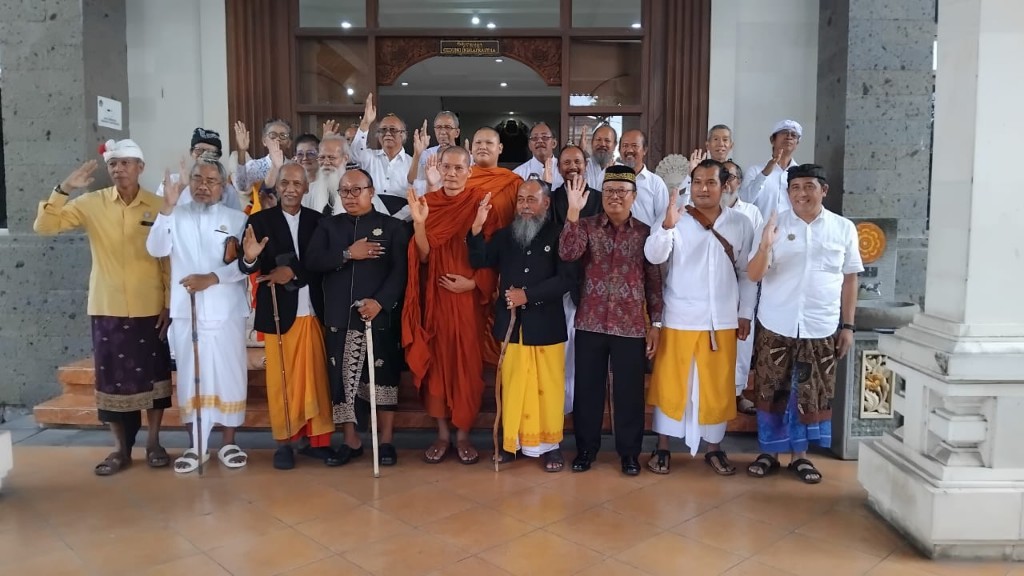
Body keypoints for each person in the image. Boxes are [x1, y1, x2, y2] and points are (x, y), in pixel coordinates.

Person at [33, 139, 172, 475]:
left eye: (126, 163)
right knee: (112, 383)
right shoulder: (91, 203)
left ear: (141, 167)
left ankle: (154, 442)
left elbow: (168, 259)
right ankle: (119, 449)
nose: (119, 170)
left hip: (149, 306)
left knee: (155, 382)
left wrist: (170, 304)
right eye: (113, 164)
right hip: (107, 307)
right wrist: (64, 188)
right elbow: (45, 227)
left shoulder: (159, 205)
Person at [747, 164, 862, 484]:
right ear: (787, 193)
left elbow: (850, 279)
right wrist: (765, 245)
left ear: (823, 190)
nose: (801, 194)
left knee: (811, 393)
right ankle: (768, 453)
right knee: (771, 390)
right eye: (795, 188)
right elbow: (755, 274)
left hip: (821, 324)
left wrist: (848, 326)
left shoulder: (843, 228)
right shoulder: (775, 225)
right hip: (776, 323)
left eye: (809, 186)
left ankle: (801, 457)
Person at [403, 144, 517, 465]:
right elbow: (423, 256)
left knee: (467, 364)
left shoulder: (482, 203)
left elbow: (492, 257)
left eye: (458, 169)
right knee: (438, 363)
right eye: (446, 168)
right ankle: (442, 433)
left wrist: (475, 283)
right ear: (438, 169)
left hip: (469, 300)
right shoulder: (430, 204)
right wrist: (420, 224)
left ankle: (464, 435)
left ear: (469, 171)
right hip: (437, 296)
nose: (452, 175)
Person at [644, 159, 757, 475]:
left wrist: (745, 312)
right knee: (671, 384)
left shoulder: (741, 224)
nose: (703, 189)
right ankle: (663, 447)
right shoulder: (677, 218)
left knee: (715, 386)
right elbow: (653, 255)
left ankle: (714, 449)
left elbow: (747, 273)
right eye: (697, 182)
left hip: (720, 320)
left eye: (711, 182)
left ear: (725, 186)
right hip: (679, 316)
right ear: (690, 185)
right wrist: (666, 225)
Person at [147, 158, 250, 474]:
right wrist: (166, 207)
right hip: (187, 312)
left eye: (211, 181)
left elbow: (245, 263)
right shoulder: (173, 215)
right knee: (193, 380)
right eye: (198, 179)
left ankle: (229, 443)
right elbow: (156, 248)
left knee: (230, 376)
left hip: (227, 311)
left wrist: (213, 278)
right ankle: (197, 447)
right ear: (188, 182)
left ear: (223, 187)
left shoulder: (236, 219)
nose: (204, 185)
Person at [559, 165, 663, 476]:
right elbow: (567, 253)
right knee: (587, 390)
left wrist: (655, 325)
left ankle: (629, 453)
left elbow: (654, 283)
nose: (614, 197)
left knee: (629, 393)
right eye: (609, 191)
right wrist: (573, 213)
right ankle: (586, 450)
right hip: (590, 322)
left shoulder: (645, 233)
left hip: (630, 326)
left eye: (621, 191)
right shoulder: (587, 226)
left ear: (634, 196)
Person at [468, 178, 575, 472]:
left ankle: (551, 447)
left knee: (548, 388)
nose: (525, 206)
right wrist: (477, 226)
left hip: (547, 326)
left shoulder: (559, 234)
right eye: (521, 200)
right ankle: (510, 444)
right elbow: (479, 258)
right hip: (512, 327)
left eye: (531, 200)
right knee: (514, 386)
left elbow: (566, 280)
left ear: (546, 203)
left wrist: (527, 295)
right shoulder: (505, 236)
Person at [307, 168, 410, 467]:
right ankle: (350, 441)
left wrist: (380, 302)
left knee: (384, 378)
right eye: (344, 191)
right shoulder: (329, 227)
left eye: (357, 190)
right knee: (342, 382)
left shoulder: (392, 228)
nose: (350, 197)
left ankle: (386, 441)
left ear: (371, 191)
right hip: (341, 316)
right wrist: (347, 254)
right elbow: (313, 261)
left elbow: (400, 272)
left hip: (379, 316)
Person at [239, 162, 335, 470]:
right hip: (280, 314)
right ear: (276, 187)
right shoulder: (260, 220)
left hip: (315, 311)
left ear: (306, 188)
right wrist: (251, 257)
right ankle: (284, 442)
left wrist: (291, 272)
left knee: (317, 380)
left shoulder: (319, 221)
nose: (291, 188)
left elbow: (323, 262)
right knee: (281, 382)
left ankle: (317, 441)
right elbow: (247, 266)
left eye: (297, 183)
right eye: (285, 183)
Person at [547, 145, 602, 416]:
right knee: (559, 350)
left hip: (591, 287)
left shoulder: (601, 199)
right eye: (566, 162)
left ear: (586, 164)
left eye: (577, 161)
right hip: (556, 285)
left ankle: (581, 409)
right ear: (558, 167)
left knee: (584, 354)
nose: (572, 166)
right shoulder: (548, 197)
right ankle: (558, 408)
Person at [722, 160, 763, 415]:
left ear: (738, 182)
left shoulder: (751, 213)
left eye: (732, 177)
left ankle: (737, 393)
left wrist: (746, 309)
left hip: (741, 288)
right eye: (722, 175)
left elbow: (754, 261)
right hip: (710, 296)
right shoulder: (698, 211)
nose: (727, 182)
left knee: (741, 345)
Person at [350, 94, 414, 220]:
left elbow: (417, 197)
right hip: (370, 216)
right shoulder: (370, 157)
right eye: (383, 130)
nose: (388, 134)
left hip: (402, 220)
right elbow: (355, 154)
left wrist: (395, 220)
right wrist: (366, 123)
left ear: (403, 135)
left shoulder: (412, 163)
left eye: (393, 130)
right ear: (378, 135)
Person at [156, 128, 243, 211]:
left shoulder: (227, 189)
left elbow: (235, 219)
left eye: (210, 152)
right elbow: (158, 216)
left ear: (218, 156)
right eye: (199, 150)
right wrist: (181, 188)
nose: (204, 155)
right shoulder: (172, 181)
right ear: (191, 153)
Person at [741, 119, 802, 218]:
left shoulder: (801, 174)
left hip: (791, 231)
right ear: (772, 140)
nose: (789, 137)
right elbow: (744, 201)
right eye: (784, 133)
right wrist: (764, 174)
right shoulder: (755, 171)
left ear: (797, 143)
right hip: (761, 230)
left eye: (794, 135)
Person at [232, 118, 293, 207]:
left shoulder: (295, 167)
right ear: (264, 141)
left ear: (289, 143)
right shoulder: (255, 166)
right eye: (273, 135)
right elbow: (241, 186)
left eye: (283, 135)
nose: (277, 139)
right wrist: (242, 151)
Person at [619, 129, 670, 228]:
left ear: (645, 150)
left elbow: (662, 219)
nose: (629, 150)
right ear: (619, 150)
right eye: (625, 146)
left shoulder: (656, 183)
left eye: (635, 146)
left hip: (646, 241)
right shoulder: (610, 179)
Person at [408, 111, 461, 196]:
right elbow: (412, 181)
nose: (443, 132)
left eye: (448, 127)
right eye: (439, 127)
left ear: (457, 132)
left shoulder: (465, 156)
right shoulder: (427, 154)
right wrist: (417, 154)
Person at [513, 122, 563, 190]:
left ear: (554, 143)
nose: (539, 141)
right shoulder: (518, 174)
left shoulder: (564, 169)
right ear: (529, 146)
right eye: (534, 138)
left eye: (544, 137)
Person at [585, 124, 618, 190]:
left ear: (614, 145)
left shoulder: (622, 170)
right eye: (598, 139)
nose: (602, 144)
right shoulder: (583, 166)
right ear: (592, 143)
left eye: (607, 141)